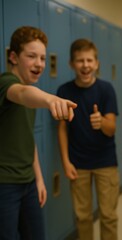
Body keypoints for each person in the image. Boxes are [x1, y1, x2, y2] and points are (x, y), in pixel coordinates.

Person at [0, 26, 77, 240]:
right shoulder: (7, 83)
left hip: (29, 184)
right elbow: (23, 94)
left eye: (43, 58)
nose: (39, 64)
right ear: (14, 57)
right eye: (32, 56)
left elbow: (28, 138)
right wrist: (50, 99)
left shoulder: (29, 87)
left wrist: (39, 179)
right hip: (5, 184)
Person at [57, 39, 119, 240]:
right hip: (78, 163)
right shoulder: (64, 92)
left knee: (108, 216)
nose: (85, 65)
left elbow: (111, 129)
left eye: (89, 60)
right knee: (82, 217)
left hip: (105, 163)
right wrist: (65, 162)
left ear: (97, 63)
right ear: (71, 64)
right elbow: (62, 129)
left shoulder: (106, 89)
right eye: (80, 60)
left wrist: (101, 121)